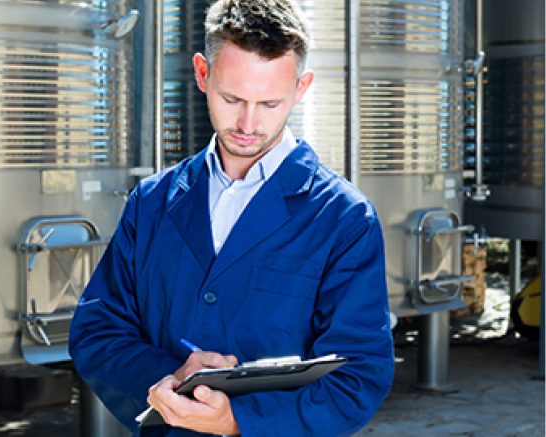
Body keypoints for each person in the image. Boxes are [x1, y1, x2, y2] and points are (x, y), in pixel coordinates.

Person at [69, 0, 394, 435]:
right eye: (231, 98)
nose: (247, 122)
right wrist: (169, 374)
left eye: (270, 103)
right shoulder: (151, 202)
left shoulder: (343, 218)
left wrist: (240, 420)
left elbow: (358, 376)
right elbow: (97, 329)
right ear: (202, 73)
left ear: (301, 88)